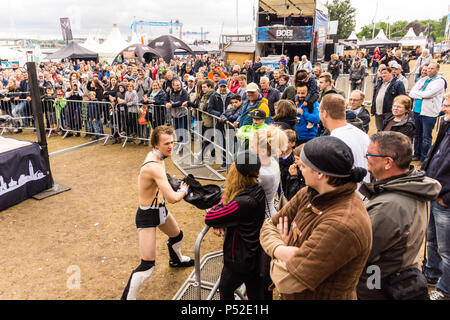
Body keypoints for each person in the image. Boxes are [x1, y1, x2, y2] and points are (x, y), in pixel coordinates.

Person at [260, 136, 372, 300]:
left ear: (320, 173)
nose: (299, 169)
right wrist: (281, 249)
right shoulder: (308, 193)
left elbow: (286, 280)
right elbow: (269, 225)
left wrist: (275, 254)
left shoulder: (341, 224)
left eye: (304, 166)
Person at [357, 132, 441, 300]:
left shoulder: (390, 206)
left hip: (376, 285)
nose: (366, 158)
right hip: (394, 277)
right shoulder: (412, 185)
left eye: (370, 154)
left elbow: (358, 251)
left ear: (388, 162)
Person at [121, 126, 194, 300]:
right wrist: (183, 190)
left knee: (177, 236)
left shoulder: (159, 157)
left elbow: (162, 186)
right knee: (147, 266)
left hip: (160, 210)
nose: (171, 146)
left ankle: (176, 261)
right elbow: (172, 198)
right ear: (155, 144)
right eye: (166, 143)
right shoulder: (153, 165)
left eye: (172, 142)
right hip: (147, 215)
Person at [204, 150, 267, 300]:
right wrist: (222, 219)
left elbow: (210, 216)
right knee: (255, 293)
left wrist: (219, 219)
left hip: (239, 259)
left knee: (225, 290)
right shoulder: (257, 189)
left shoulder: (242, 202)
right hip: (254, 254)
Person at [421, 93, 450, 300]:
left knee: (447, 249)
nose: (443, 108)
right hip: (433, 192)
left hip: (445, 200)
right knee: (430, 239)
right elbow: (433, 155)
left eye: (447, 105)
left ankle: (444, 289)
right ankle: (431, 274)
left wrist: (447, 197)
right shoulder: (445, 126)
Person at [319, 94, 370, 188]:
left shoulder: (334, 141)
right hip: (363, 195)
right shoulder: (363, 134)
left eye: (319, 111)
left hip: (346, 196)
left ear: (325, 113)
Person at [409, 62, 446, 162]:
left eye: (432, 68)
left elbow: (429, 94)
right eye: (428, 68)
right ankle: (416, 154)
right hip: (416, 111)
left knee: (426, 136)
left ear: (437, 70)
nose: (429, 70)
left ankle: (424, 157)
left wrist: (419, 94)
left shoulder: (440, 81)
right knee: (417, 134)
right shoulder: (422, 80)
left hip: (429, 113)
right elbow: (411, 93)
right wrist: (421, 94)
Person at [372, 66, 406, 132]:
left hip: (389, 112)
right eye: (382, 73)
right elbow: (374, 96)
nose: (383, 75)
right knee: (379, 130)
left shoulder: (398, 84)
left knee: (388, 131)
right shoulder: (379, 83)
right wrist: (373, 109)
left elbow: (402, 98)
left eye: (385, 73)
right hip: (378, 112)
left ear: (391, 73)